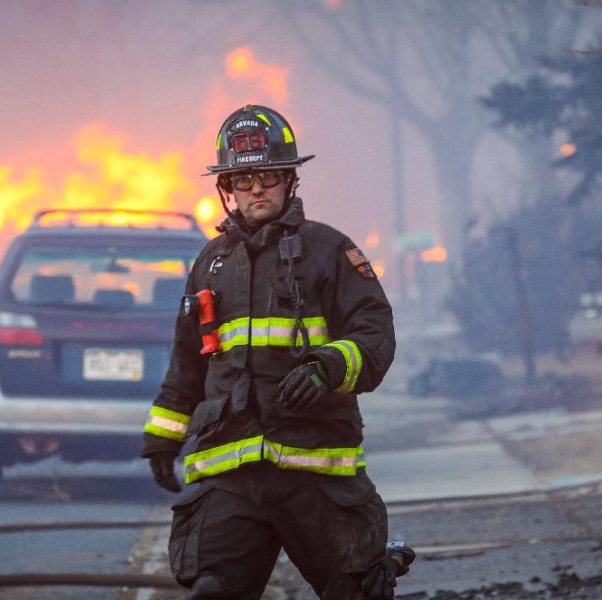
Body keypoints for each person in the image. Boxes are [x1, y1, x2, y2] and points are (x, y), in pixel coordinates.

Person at [142, 105, 413, 599]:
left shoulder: (330, 251)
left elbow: (375, 334)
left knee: (357, 592)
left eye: (267, 176)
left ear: (289, 179)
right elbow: (187, 363)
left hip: (316, 470)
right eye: (243, 180)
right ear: (227, 187)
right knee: (212, 592)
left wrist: (327, 368)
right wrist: (163, 437)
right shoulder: (210, 264)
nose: (256, 189)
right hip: (230, 472)